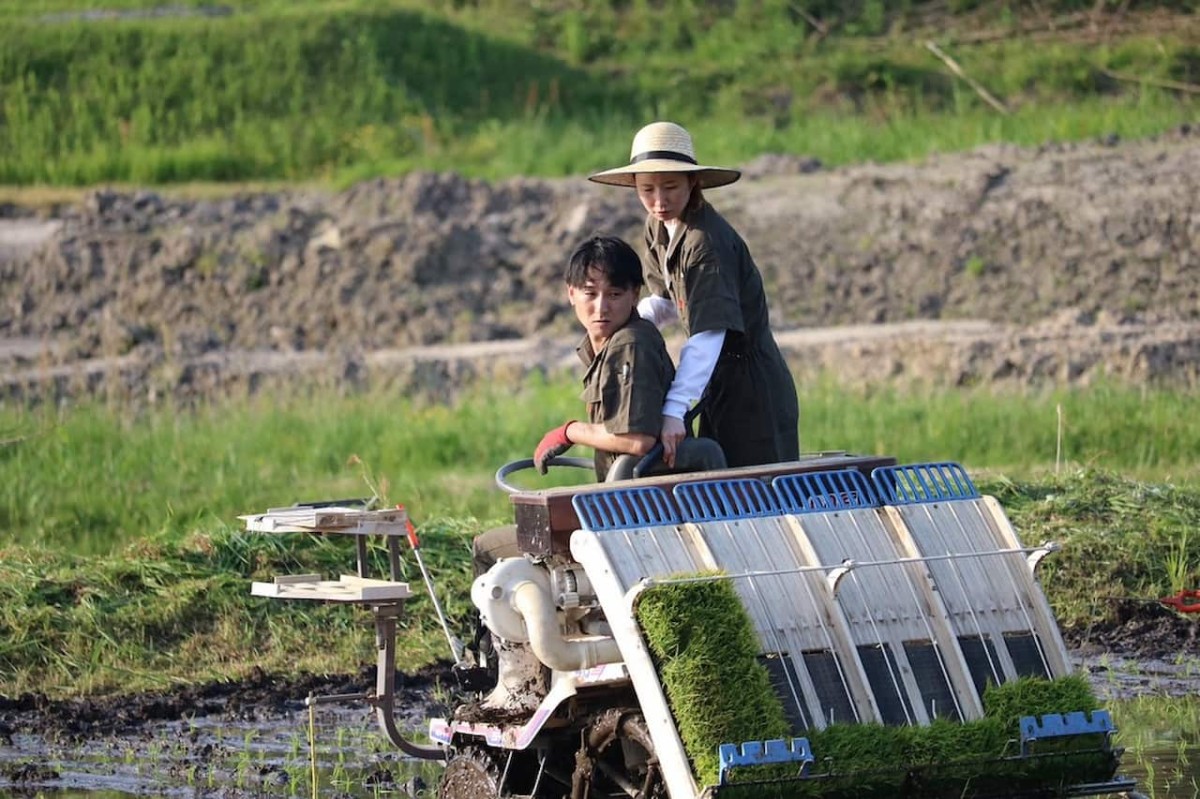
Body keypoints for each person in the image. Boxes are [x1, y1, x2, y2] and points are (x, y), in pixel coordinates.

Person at [588, 121, 800, 469]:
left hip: (752, 387)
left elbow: (709, 333)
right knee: (714, 486)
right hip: (713, 382)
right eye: (647, 190)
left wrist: (674, 409)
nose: (659, 201)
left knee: (755, 496)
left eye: (670, 186)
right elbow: (665, 302)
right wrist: (619, 331)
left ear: (693, 182)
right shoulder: (657, 226)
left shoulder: (705, 242)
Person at [471, 235, 674, 576]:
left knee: (486, 548)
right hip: (618, 506)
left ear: (635, 295)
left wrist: (571, 431)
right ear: (571, 294)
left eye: (614, 294)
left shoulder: (630, 344)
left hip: (628, 516)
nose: (601, 308)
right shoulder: (606, 344)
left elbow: (637, 441)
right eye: (590, 294)